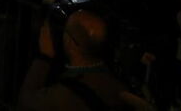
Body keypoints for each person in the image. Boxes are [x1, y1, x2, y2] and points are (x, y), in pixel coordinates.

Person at [19, 10, 152, 110]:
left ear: (71, 44)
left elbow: (26, 102)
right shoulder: (117, 80)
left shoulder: (67, 95)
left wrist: (44, 57)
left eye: (65, 31)